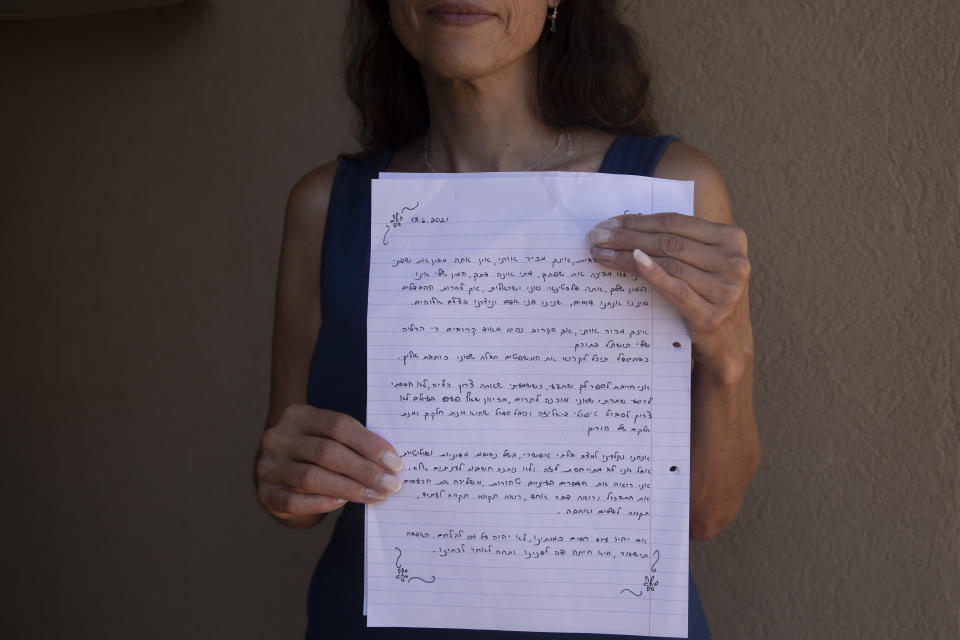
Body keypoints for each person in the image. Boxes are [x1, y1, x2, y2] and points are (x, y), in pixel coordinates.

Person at [254, 1, 761, 637]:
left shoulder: (667, 189)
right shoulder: (326, 207)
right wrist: (285, 479)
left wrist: (730, 352)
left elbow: (703, 516)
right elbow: (294, 492)